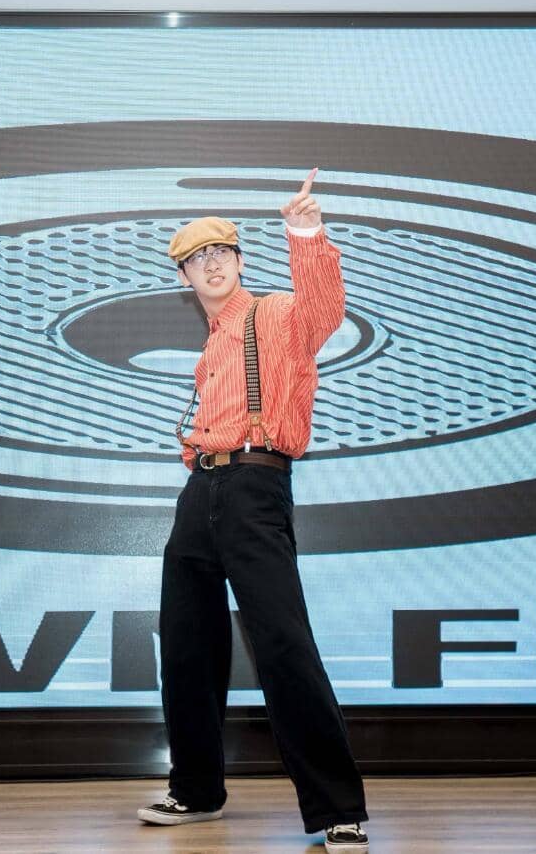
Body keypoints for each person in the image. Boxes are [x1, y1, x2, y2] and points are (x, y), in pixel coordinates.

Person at [136, 169, 370, 853]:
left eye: (221, 253)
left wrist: (306, 231)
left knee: (282, 643)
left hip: (254, 487)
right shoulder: (213, 343)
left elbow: (323, 308)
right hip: (201, 492)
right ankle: (196, 789)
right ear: (184, 277)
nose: (210, 265)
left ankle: (338, 809)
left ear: (239, 261)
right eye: (196, 259)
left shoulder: (274, 314)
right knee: (186, 645)